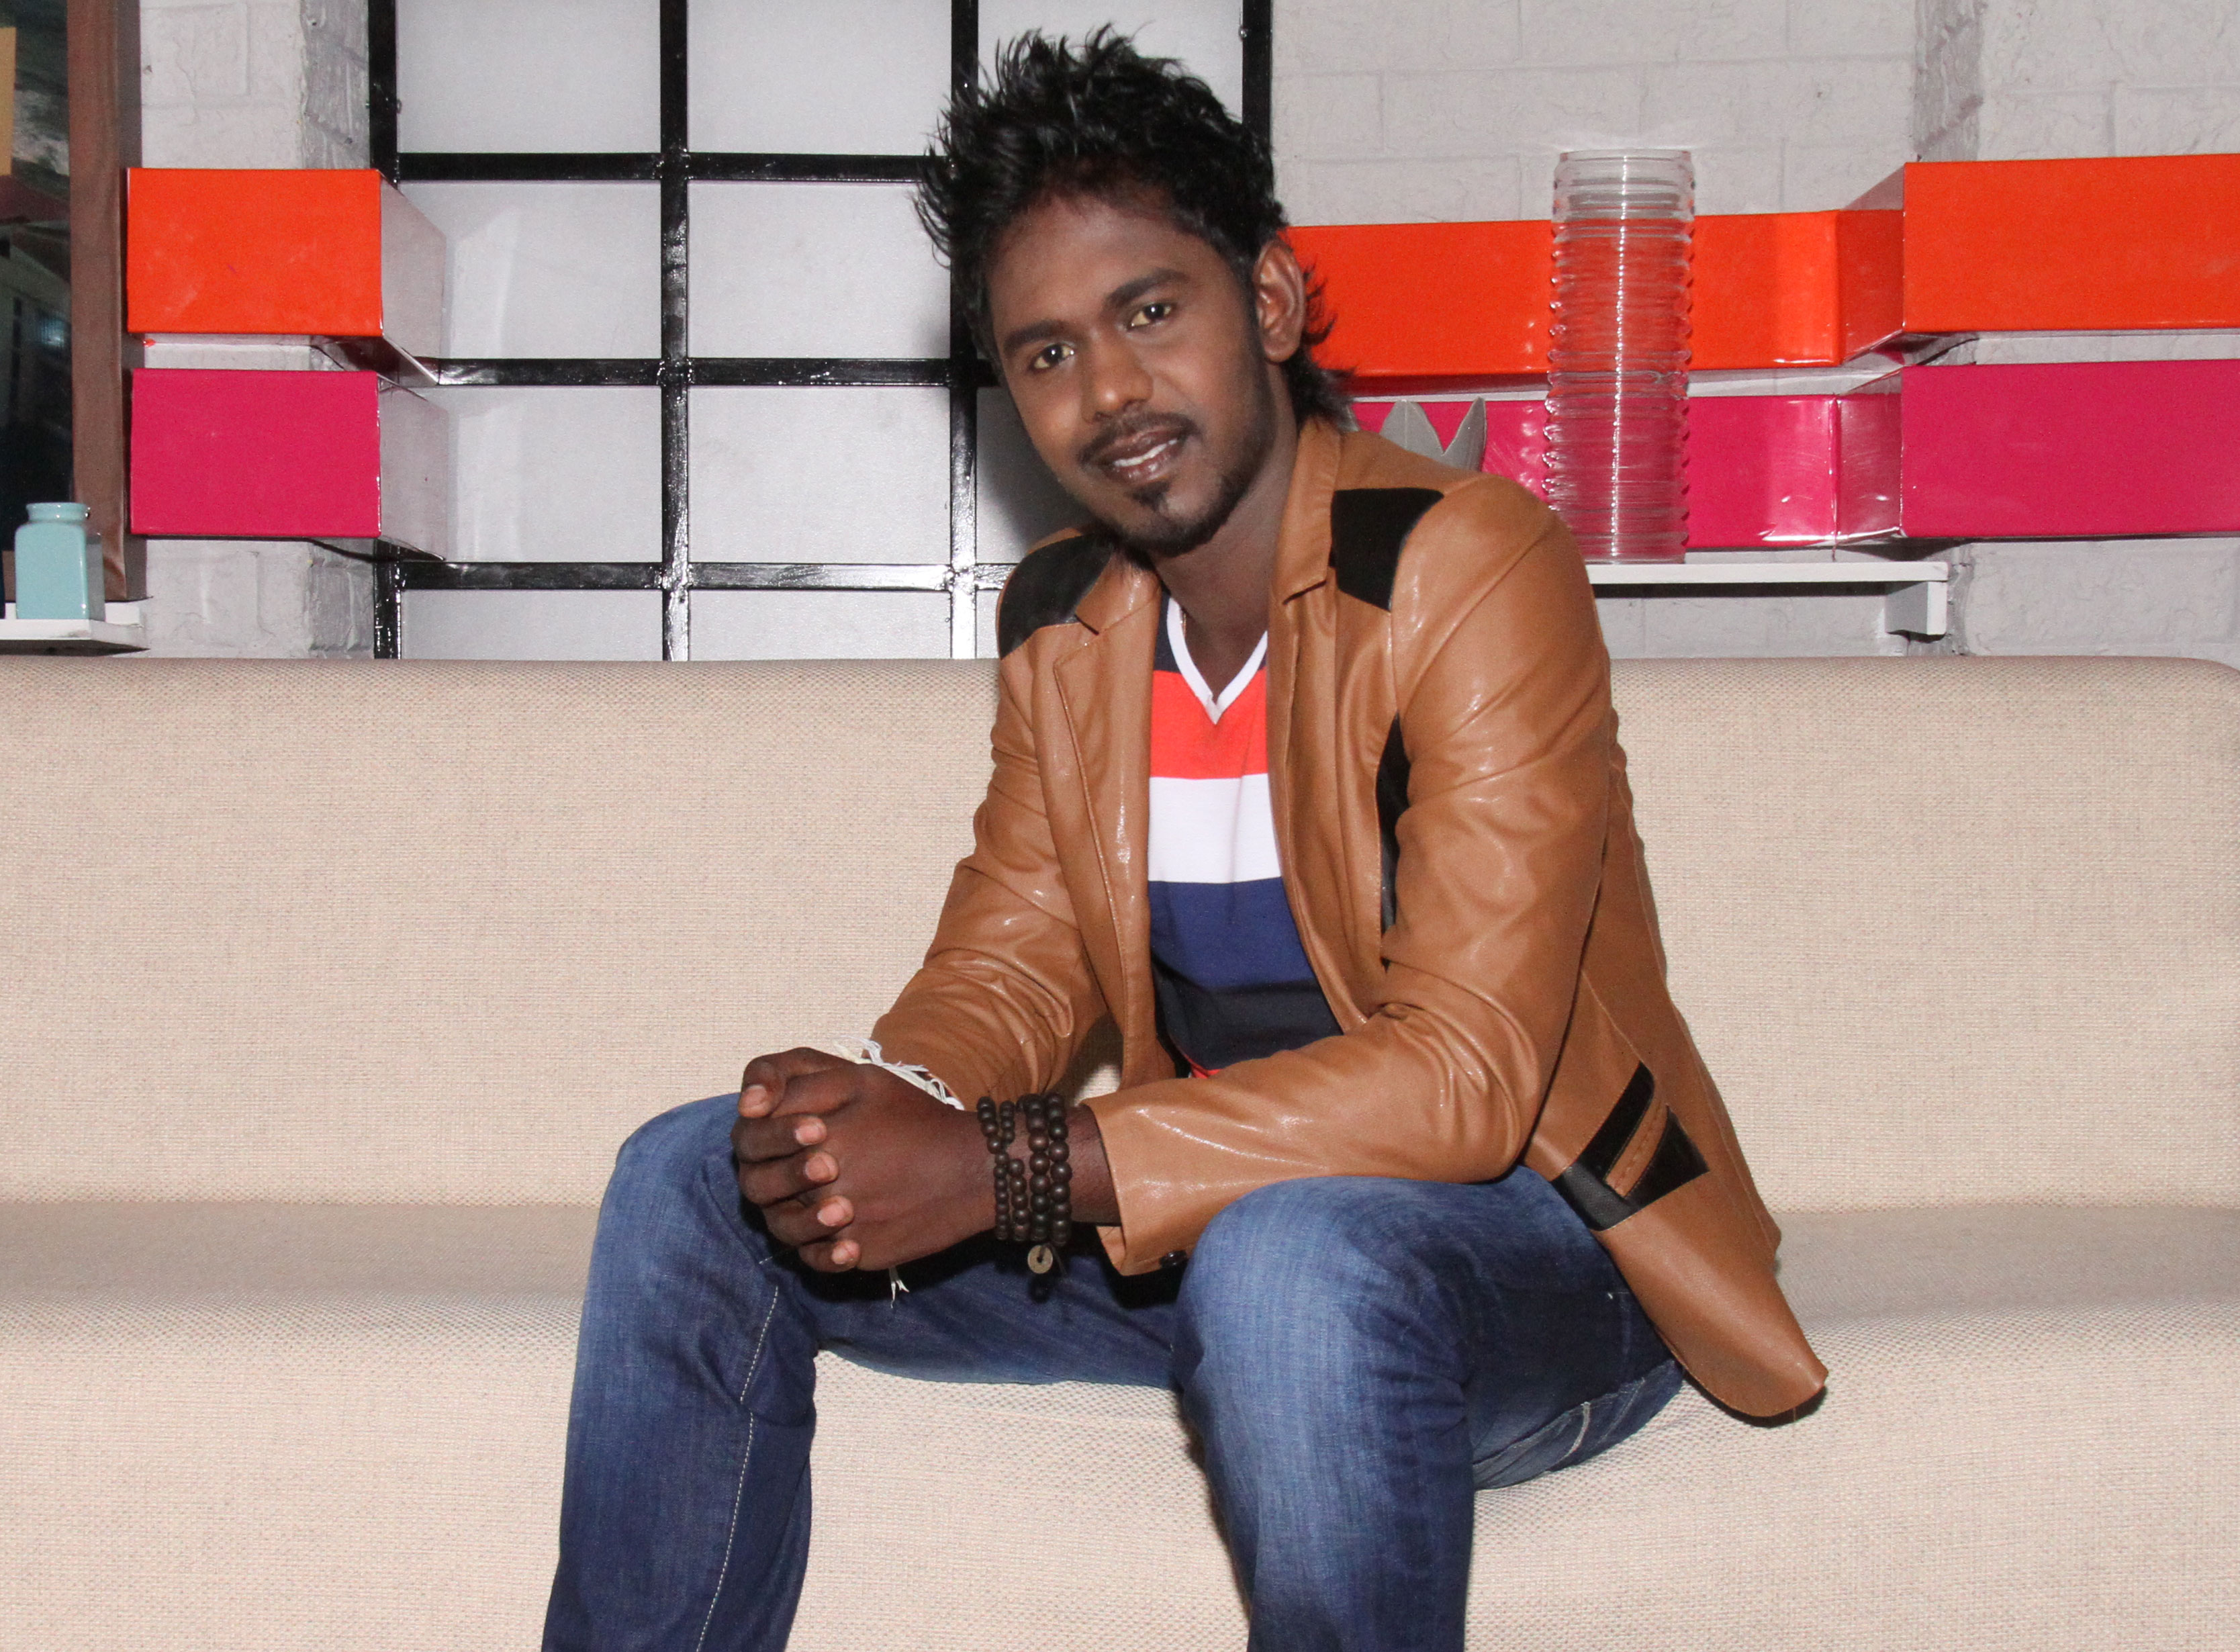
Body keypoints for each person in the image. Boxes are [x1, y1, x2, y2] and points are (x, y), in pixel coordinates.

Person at [545, 30, 1825, 1652]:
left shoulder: (1467, 568)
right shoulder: (1069, 620)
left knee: (1294, 1264)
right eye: (1048, 353)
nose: (1110, 394)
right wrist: (891, 1108)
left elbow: (1465, 1078)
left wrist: (1007, 1168)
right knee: (695, 1179)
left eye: (1151, 312)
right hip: (1213, 1243)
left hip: (1537, 1250)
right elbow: (1018, 959)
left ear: (1269, 303)